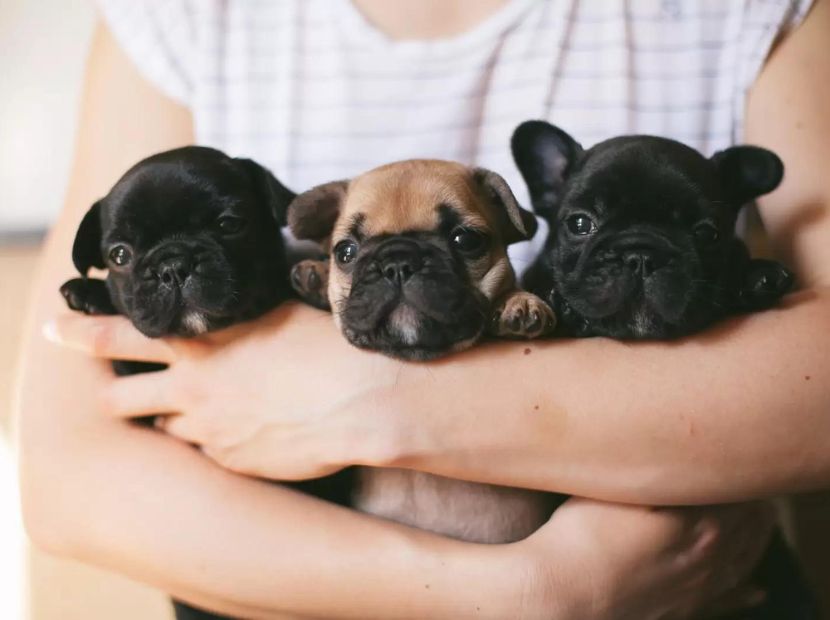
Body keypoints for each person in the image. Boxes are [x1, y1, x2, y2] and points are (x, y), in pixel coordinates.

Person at [16, 0, 830, 618]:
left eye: (465, 244)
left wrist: (381, 399)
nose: (402, 270)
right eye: (350, 251)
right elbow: (67, 478)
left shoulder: (746, 14)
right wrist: (521, 593)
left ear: (520, 221)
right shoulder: (184, 19)